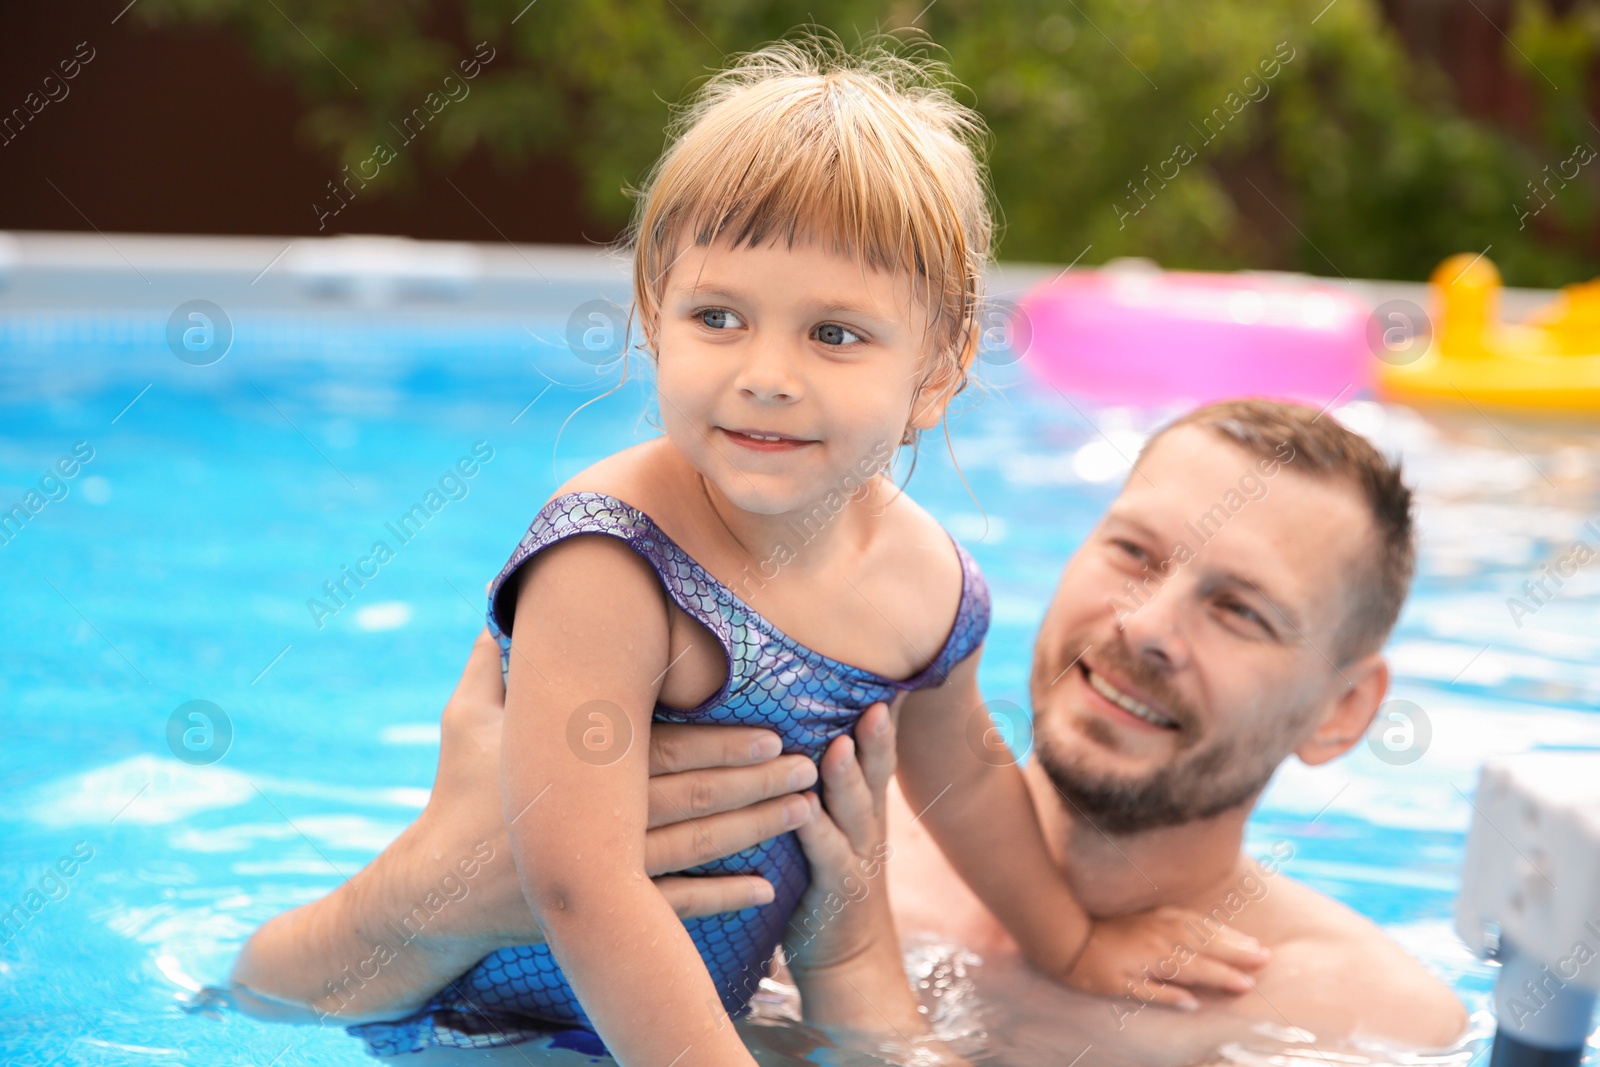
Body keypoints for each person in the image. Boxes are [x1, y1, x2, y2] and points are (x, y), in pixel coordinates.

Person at [322, 38, 1260, 1065]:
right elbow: (577, 881)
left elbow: (972, 777)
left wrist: (1072, 944)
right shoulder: (613, 552)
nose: (765, 373)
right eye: (717, 317)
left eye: (834, 334)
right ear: (653, 323)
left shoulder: (927, 585)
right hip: (478, 1028)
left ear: (938, 371)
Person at [227, 399, 1468, 1063]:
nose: (1146, 624)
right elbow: (251, 1007)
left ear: (1345, 707)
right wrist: (433, 890)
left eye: (1237, 609)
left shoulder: (1345, 1015)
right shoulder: (760, 771)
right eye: (1132, 553)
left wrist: (853, 967)